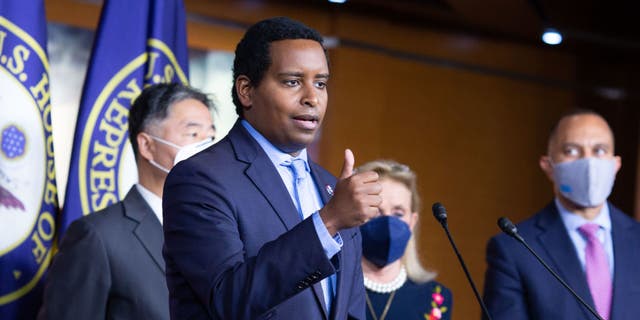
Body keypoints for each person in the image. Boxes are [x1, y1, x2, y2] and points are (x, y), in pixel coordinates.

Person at [162, 17, 382, 320]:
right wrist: (328, 222)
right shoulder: (199, 179)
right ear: (246, 91)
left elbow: (349, 311)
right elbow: (228, 298)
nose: (312, 97)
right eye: (292, 82)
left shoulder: (333, 187)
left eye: (320, 83)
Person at [38, 83, 216, 320]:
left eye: (212, 135)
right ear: (147, 145)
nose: (208, 147)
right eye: (193, 134)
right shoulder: (97, 236)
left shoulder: (219, 226)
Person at [483, 109, 640, 320]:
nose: (589, 163)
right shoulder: (514, 249)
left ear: (616, 164)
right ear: (548, 166)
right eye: (571, 151)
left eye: (600, 150)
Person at [357, 160, 452, 320]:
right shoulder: (332, 288)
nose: (387, 221)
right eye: (376, 211)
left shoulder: (435, 298)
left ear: (412, 222)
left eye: (398, 213)